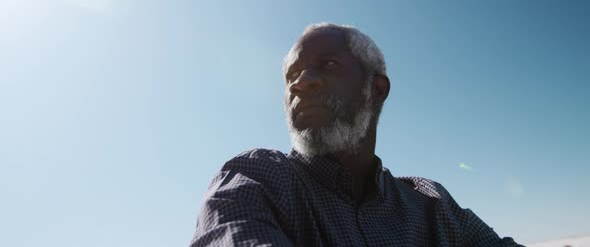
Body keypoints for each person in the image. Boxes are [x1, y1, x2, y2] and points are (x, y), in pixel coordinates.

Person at [190, 23, 522, 246]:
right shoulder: (256, 179)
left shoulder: (431, 203)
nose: (300, 82)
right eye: (291, 75)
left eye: (328, 64)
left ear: (375, 89)